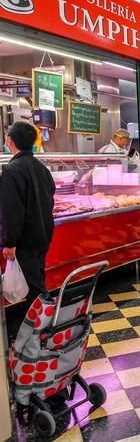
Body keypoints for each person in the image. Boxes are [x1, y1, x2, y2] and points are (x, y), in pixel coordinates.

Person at [0, 122, 56, 309]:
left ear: (9, 141)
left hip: (25, 241)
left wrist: (9, 242)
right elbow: (50, 201)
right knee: (37, 281)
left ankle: (49, 327)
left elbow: (11, 210)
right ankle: (39, 327)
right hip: (43, 236)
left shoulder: (11, 170)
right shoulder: (42, 169)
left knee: (36, 290)